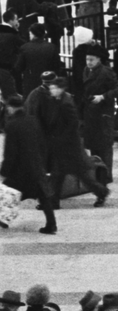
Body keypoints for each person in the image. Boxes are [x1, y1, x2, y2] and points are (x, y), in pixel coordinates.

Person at [45, 78, 109, 208]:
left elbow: (73, 124)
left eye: (54, 88)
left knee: (80, 175)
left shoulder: (65, 103)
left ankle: (102, 192)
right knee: (58, 175)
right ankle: (54, 201)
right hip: (65, 146)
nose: (51, 90)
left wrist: (61, 139)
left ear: (61, 89)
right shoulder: (59, 100)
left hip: (70, 147)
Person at [1, 95, 56, 233]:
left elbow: (10, 152)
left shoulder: (12, 125)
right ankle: (51, 225)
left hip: (19, 169)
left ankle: (3, 219)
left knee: (5, 192)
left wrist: (4, 171)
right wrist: (43, 162)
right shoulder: (33, 121)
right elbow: (43, 143)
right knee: (43, 196)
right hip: (36, 165)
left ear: (11, 108)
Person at [79, 50, 118, 178]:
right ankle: (98, 173)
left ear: (98, 59)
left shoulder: (106, 72)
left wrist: (103, 97)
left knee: (104, 145)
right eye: (87, 59)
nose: (89, 62)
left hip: (103, 112)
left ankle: (106, 175)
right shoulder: (86, 70)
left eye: (91, 59)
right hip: (90, 112)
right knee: (94, 144)